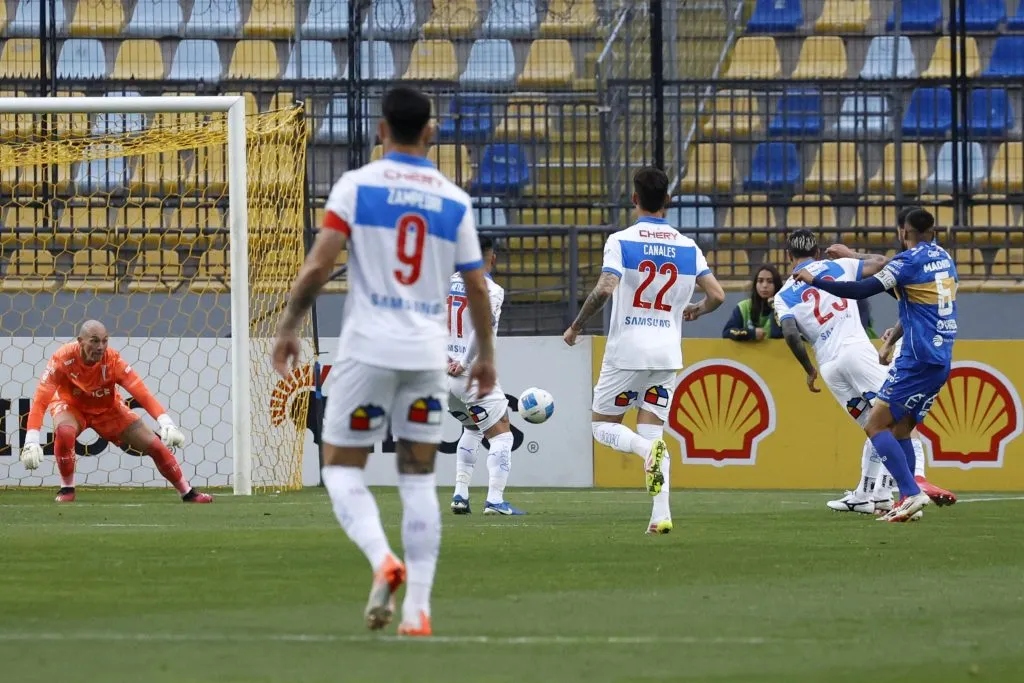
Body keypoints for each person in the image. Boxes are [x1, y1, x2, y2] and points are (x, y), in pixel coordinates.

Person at [272, 86, 497, 637]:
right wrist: (486, 356)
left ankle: (381, 558)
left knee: (340, 468)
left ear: (380, 130)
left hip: (367, 350)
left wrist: (289, 326)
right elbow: (477, 287)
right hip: (425, 355)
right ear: (430, 133)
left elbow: (317, 266)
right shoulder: (453, 200)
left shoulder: (356, 186)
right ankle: (418, 612)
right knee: (418, 479)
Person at [562, 167, 725, 535]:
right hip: (667, 356)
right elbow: (717, 295)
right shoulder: (688, 246)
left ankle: (644, 452)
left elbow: (605, 288)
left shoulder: (621, 240)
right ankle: (660, 515)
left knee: (602, 426)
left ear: (634, 199)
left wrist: (577, 325)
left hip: (627, 352)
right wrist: (696, 310)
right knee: (653, 431)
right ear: (668, 200)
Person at [794, 208, 958, 523]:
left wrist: (815, 280)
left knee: (875, 425)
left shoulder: (907, 263)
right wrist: (890, 339)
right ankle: (910, 496)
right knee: (901, 428)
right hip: (941, 359)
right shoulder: (944, 259)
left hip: (917, 359)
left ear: (903, 231)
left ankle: (911, 492)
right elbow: (919, 304)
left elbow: (861, 289)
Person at [774, 231, 922, 517]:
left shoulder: (782, 295)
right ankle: (910, 494)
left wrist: (808, 369)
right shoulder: (838, 265)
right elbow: (882, 262)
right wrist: (852, 254)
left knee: (873, 426)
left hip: (829, 366)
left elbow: (790, 333)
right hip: (856, 351)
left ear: (788, 255)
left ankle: (870, 496)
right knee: (899, 420)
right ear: (818, 252)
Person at [19, 320, 209, 504]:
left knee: (156, 445)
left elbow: (141, 392)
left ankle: (187, 492)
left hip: (108, 409)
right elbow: (41, 400)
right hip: (71, 407)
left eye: (105, 341)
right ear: (80, 341)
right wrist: (31, 440)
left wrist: (166, 422)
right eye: (94, 341)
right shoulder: (62, 358)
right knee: (64, 431)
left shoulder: (112, 360)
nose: (100, 347)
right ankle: (67, 488)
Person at [447, 235, 524, 516]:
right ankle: (495, 500)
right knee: (502, 434)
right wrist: (464, 363)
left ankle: (460, 494)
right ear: (492, 257)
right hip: (472, 374)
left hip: (445, 376)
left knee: (472, 429)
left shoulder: (448, 283)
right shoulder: (491, 289)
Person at [722, 265, 783, 342]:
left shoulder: (784, 308)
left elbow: (777, 334)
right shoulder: (744, 307)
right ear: (755, 284)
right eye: (760, 281)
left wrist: (775, 307)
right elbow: (727, 332)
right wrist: (751, 333)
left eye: (770, 281)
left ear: (777, 285)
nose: (764, 285)